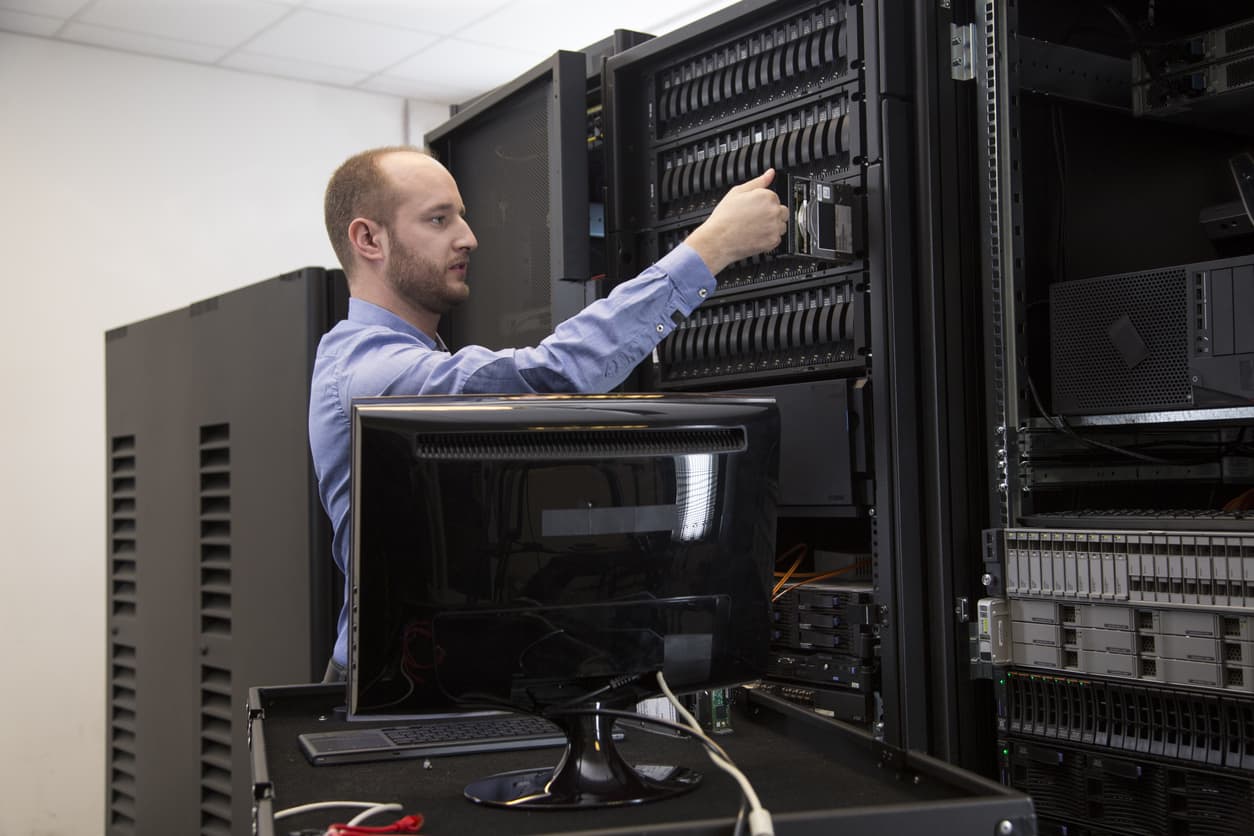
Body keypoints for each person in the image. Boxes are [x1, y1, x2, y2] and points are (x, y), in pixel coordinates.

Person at [309, 145, 788, 682]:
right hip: (389, 694)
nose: (468, 237)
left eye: (461, 216)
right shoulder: (370, 373)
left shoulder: (407, 363)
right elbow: (550, 378)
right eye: (439, 219)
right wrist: (710, 248)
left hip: (442, 679)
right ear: (368, 239)